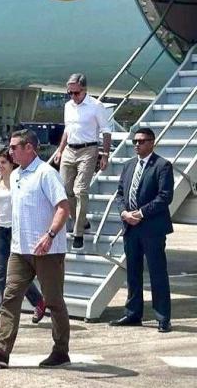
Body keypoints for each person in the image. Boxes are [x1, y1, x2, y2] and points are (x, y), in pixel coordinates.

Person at [0, 129, 71, 369]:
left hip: (47, 251)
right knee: (10, 298)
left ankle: (61, 351)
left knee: (54, 302)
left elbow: (63, 208)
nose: (10, 150)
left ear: (30, 148)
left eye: (15, 146)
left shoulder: (46, 174)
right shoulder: (15, 175)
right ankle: (1, 350)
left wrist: (49, 235)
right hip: (20, 250)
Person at [109, 128, 174, 333]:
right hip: (130, 227)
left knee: (157, 273)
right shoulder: (129, 166)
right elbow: (120, 194)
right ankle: (133, 313)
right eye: (135, 141)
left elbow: (164, 197)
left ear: (151, 143)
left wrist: (140, 213)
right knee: (133, 273)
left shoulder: (162, 166)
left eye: (141, 141)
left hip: (152, 228)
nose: (137, 144)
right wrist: (124, 213)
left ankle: (163, 318)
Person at [0, 148, 46, 329]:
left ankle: (38, 301)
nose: (0, 166)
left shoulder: (19, 180)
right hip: (0, 231)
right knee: (0, 274)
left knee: (18, 274)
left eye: (3, 162)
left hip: (18, 231)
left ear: (12, 163)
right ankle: (5, 315)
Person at [52, 73, 111, 250]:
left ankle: (78, 233)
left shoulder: (95, 106)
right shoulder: (68, 106)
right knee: (64, 189)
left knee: (80, 190)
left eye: (76, 93)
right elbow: (67, 130)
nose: (73, 96)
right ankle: (82, 220)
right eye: (69, 93)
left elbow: (106, 131)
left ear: (84, 89)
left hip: (89, 149)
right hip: (70, 149)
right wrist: (60, 150)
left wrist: (105, 154)